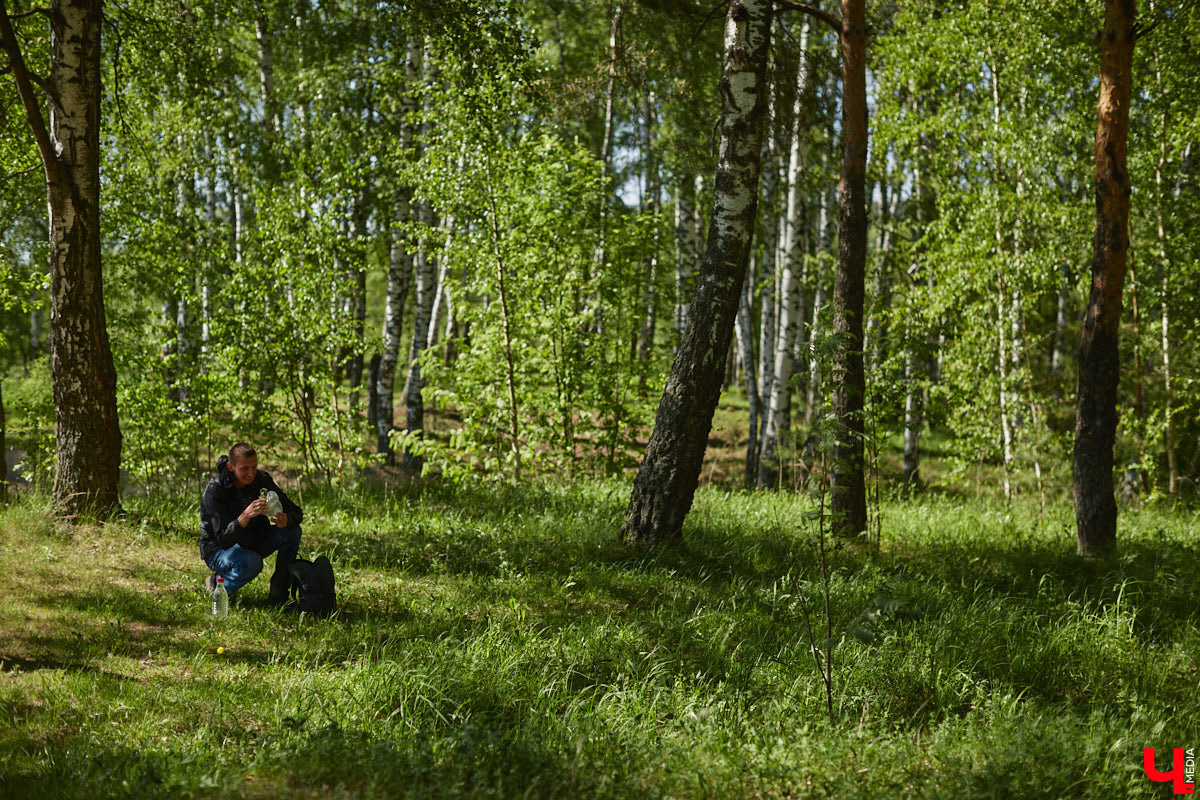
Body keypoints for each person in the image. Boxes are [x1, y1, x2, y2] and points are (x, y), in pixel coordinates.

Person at [200, 443, 303, 606]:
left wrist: (286, 519)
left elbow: (295, 511)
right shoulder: (215, 490)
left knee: (292, 531)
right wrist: (245, 516)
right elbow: (222, 540)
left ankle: (278, 595)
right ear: (231, 466)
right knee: (252, 562)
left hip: (252, 542)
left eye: (254, 467)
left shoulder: (261, 480)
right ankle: (217, 584)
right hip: (218, 550)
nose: (251, 474)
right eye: (244, 469)